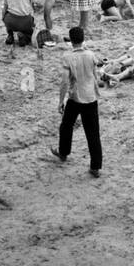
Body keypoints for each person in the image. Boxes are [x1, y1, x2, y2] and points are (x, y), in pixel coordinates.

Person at [49, 26, 102, 176]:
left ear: (71, 41)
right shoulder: (91, 55)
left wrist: (61, 101)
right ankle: (95, 167)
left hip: (76, 97)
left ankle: (64, 152)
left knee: (66, 125)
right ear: (83, 38)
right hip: (91, 97)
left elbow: (65, 82)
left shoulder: (68, 57)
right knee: (93, 133)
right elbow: (94, 75)